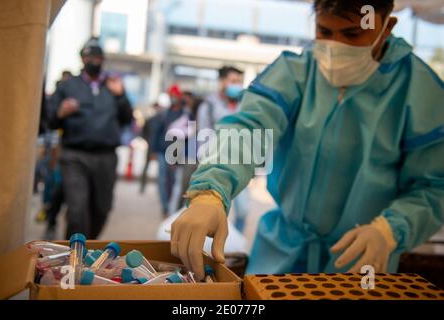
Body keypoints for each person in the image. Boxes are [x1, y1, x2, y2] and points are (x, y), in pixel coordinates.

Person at [170, 0, 444, 280]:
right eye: (324, 32)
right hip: (282, 252)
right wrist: (211, 191)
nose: (335, 46)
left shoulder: (419, 92)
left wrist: (389, 231)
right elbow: (248, 128)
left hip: (361, 257)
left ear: (387, 27)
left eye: (352, 34)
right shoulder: (295, 72)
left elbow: (434, 185)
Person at [48, 37, 133, 239]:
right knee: (77, 211)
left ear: (103, 60)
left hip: (106, 157)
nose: (94, 61)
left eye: (97, 57)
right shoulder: (68, 87)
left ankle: (88, 249)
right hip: (75, 156)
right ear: (82, 59)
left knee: (101, 210)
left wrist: (120, 96)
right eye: (89, 57)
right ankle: (74, 254)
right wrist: (61, 113)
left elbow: (127, 118)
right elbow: (49, 121)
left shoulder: (113, 86)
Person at [196, 66, 250, 233]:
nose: (237, 85)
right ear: (222, 82)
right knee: (217, 211)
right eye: (233, 81)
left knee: (243, 210)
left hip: (240, 165)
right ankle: (216, 249)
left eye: (240, 82)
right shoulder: (209, 105)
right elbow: (202, 136)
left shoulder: (246, 104)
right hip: (216, 167)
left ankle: (235, 243)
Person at [153, 85, 185, 217]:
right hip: (162, 151)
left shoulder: (184, 114)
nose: (173, 99)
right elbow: (157, 132)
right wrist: (153, 150)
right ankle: (165, 207)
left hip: (175, 153)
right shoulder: (164, 113)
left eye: (174, 96)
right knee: (161, 180)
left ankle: (173, 207)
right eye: (171, 96)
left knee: (173, 181)